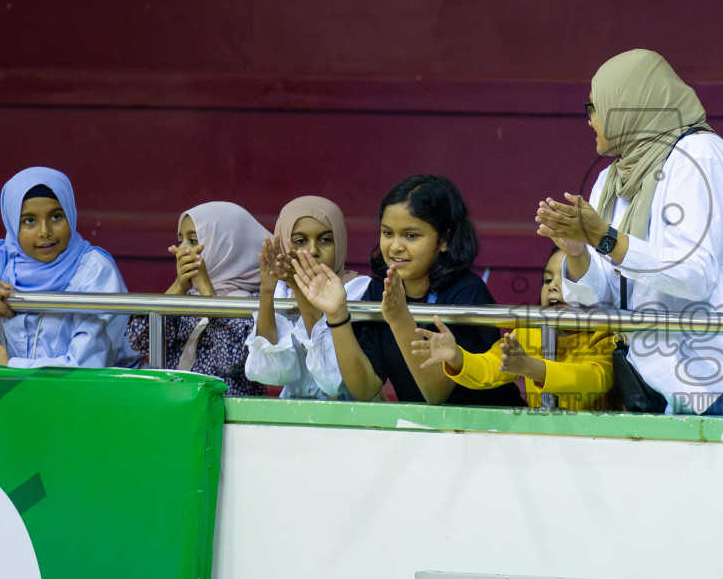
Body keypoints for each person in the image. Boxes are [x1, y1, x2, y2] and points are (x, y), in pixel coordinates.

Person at [535, 49, 723, 417]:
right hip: (654, 376)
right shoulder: (613, 179)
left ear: (628, 104)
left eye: (595, 107)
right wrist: (578, 251)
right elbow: (601, 295)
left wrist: (604, 237)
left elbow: (694, 273)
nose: (589, 120)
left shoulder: (700, 157)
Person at [292, 174, 524, 407]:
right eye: (387, 233)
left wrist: (400, 320)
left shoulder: (467, 292)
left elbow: (436, 395)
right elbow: (364, 387)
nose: (395, 246)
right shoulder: (379, 289)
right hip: (424, 434)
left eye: (411, 235)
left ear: (444, 239)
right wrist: (337, 315)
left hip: (489, 431)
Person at [0, 166, 136, 369]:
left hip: (95, 399)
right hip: (23, 395)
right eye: (29, 221)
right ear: (11, 223)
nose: (44, 231)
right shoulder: (0, 259)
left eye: (56, 216)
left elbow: (87, 365)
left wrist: (9, 366)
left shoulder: (96, 270)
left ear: (71, 213)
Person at [410, 247, 617, 411]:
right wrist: (457, 357)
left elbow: (593, 379)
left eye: (567, 279)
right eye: (547, 279)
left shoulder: (605, 335)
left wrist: (530, 367)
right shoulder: (530, 331)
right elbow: (490, 367)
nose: (553, 285)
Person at [126, 201, 268, 396]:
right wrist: (179, 286)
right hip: (176, 411)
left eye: (193, 241)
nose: (183, 250)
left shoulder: (252, 302)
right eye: (181, 240)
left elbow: (230, 361)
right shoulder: (185, 298)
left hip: (229, 417)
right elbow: (139, 341)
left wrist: (207, 291)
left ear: (224, 244)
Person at [244, 196, 370, 400]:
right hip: (294, 413)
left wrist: (302, 293)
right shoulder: (281, 290)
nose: (312, 250)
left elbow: (333, 381)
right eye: (300, 241)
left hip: (349, 413)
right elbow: (269, 373)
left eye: (325, 240)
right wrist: (267, 291)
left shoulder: (357, 289)